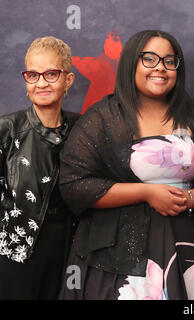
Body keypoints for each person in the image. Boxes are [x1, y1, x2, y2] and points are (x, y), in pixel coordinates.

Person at [58, 30, 194, 300]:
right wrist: (147, 193)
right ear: (131, 63)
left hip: (187, 253)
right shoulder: (103, 117)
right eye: (149, 59)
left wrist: (191, 198)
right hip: (119, 259)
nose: (160, 68)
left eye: (169, 60)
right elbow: (74, 185)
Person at [0, 36, 79, 299]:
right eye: (32, 75)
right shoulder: (7, 130)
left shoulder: (84, 130)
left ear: (68, 80)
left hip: (71, 252)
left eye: (51, 74)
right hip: (16, 255)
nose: (41, 82)